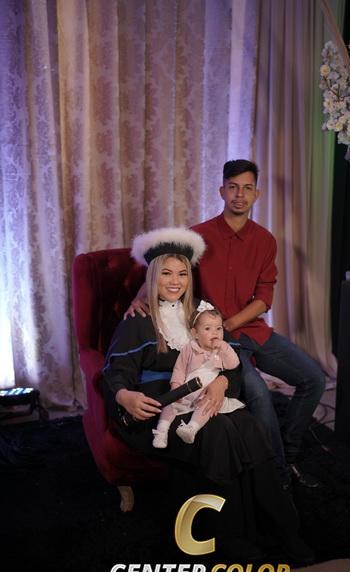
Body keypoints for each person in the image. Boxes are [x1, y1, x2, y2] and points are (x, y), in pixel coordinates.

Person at [103, 226, 314, 564]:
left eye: (182, 273)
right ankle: (232, 537)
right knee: (219, 432)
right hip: (157, 408)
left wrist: (221, 383)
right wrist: (125, 396)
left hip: (204, 396)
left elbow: (230, 363)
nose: (175, 281)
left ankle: (282, 527)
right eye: (166, 273)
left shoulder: (201, 317)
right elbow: (117, 373)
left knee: (249, 427)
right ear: (153, 277)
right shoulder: (137, 320)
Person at [126, 161, 326, 489]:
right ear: (222, 191)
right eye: (233, 187)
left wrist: (230, 323)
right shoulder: (197, 237)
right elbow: (163, 270)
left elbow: (264, 297)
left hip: (250, 329)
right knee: (259, 393)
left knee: (314, 379)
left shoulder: (265, 240)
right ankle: (276, 476)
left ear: (257, 194)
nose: (239, 195)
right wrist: (139, 298)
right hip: (214, 340)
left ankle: (288, 454)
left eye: (247, 188)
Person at [152, 301, 244, 448]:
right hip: (187, 390)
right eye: (208, 329)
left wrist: (224, 347)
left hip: (206, 393)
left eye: (219, 328)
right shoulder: (190, 348)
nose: (215, 333)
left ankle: (191, 428)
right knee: (170, 404)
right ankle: (161, 432)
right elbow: (179, 369)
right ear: (195, 333)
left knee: (207, 406)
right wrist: (176, 387)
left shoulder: (221, 350)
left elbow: (233, 364)